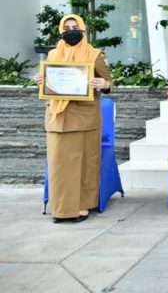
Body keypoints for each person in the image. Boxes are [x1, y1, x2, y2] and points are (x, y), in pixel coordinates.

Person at [34, 14, 112, 223]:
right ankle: (61, 209)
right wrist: (40, 80)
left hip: (85, 118)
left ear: (83, 29)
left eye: (75, 27)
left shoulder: (95, 54)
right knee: (59, 165)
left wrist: (103, 84)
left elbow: (108, 82)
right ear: (61, 31)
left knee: (85, 164)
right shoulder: (53, 54)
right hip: (58, 117)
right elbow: (49, 83)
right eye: (67, 28)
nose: (71, 31)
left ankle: (83, 206)